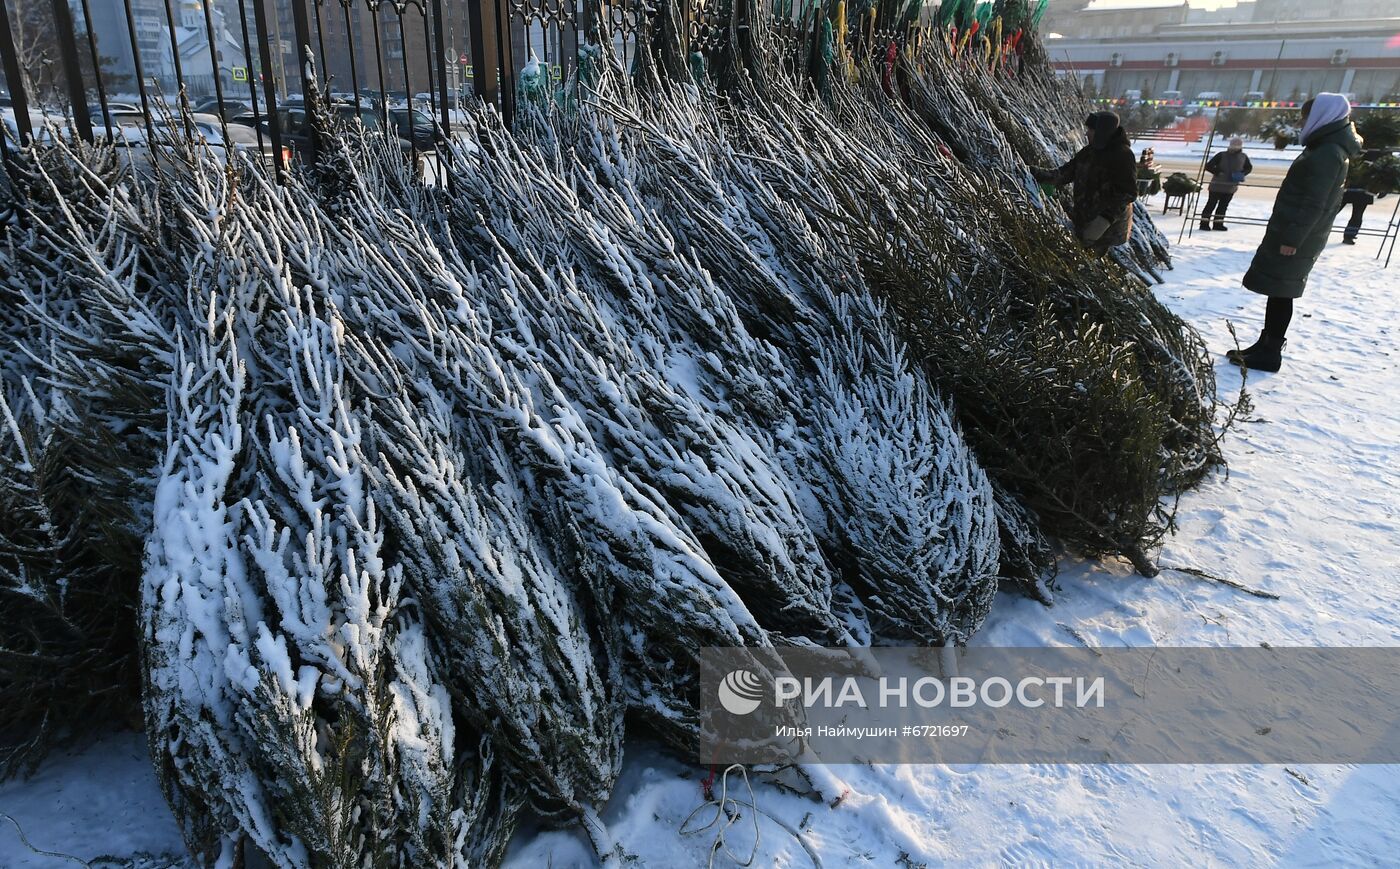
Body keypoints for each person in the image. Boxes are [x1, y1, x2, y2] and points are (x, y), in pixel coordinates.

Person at [1233, 94, 1363, 372]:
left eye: (1305, 116)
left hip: (1297, 235)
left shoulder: (1329, 152)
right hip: (1294, 230)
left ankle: (1270, 352)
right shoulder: (1325, 146)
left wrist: (1292, 239)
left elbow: (1314, 201)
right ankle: (1265, 343)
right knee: (1278, 289)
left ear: (1322, 116)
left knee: (1283, 291)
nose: (1302, 122)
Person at [1033, 112, 1138, 255]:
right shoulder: (1088, 153)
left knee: (1094, 261)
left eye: (1091, 130)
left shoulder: (1122, 156)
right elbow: (1064, 174)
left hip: (1108, 229)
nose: (1087, 134)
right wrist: (1035, 173)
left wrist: (1105, 219)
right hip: (1085, 220)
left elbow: (1128, 193)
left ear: (1102, 131)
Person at [1200, 137, 1253, 231]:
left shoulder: (1243, 156)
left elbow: (1249, 168)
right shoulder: (1221, 155)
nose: (1235, 147)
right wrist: (1218, 172)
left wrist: (1242, 174)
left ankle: (1218, 224)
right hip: (1217, 185)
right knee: (1211, 204)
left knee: (1223, 206)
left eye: (1237, 145)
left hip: (1230, 186)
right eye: (1233, 145)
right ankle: (1204, 223)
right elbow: (1208, 166)